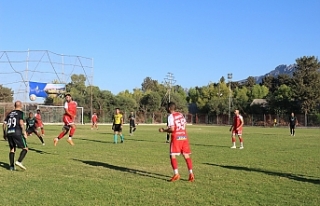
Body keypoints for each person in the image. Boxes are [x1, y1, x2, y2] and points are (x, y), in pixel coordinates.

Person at [158, 102, 195, 182]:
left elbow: (172, 129)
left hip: (176, 138)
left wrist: (163, 130)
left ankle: (176, 174)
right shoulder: (180, 114)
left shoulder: (171, 116)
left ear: (169, 108)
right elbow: (184, 124)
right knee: (186, 156)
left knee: (172, 155)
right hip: (184, 137)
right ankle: (191, 173)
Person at [2, 101, 28, 170]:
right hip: (17, 132)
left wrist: (4, 133)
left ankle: (11, 166)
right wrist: (24, 132)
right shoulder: (21, 113)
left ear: (14, 105)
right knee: (25, 148)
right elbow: (21, 123)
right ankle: (19, 161)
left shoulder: (10, 113)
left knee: (12, 149)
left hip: (9, 132)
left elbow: (4, 124)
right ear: (21, 105)